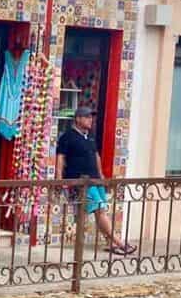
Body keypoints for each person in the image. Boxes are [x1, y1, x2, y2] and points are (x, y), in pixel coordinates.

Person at [55, 106, 136, 255]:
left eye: (91, 117)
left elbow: (96, 156)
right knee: (99, 210)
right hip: (81, 181)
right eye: (87, 117)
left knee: (101, 210)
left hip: (95, 180)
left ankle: (111, 243)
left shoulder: (90, 137)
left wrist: (101, 176)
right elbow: (60, 158)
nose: (90, 120)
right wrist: (59, 179)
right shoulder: (67, 136)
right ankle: (120, 243)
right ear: (78, 119)